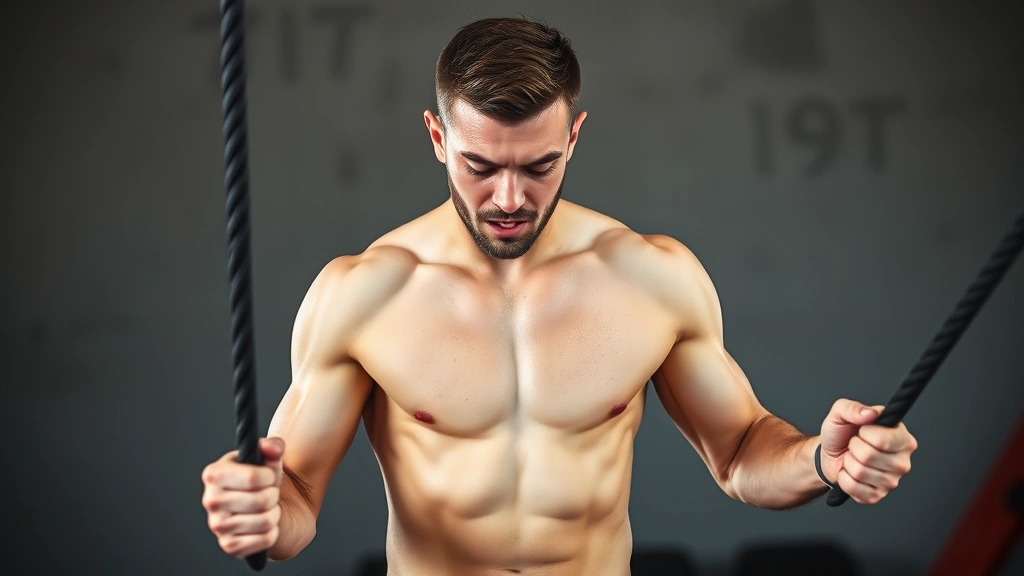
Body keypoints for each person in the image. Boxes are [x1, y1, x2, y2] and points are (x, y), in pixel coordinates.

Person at [200, 16, 918, 575]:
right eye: (480, 166)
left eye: (539, 166)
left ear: (573, 137)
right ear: (437, 137)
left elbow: (738, 455)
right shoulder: (362, 294)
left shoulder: (651, 277)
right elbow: (294, 505)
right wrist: (259, 515)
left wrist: (825, 460)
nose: (509, 198)